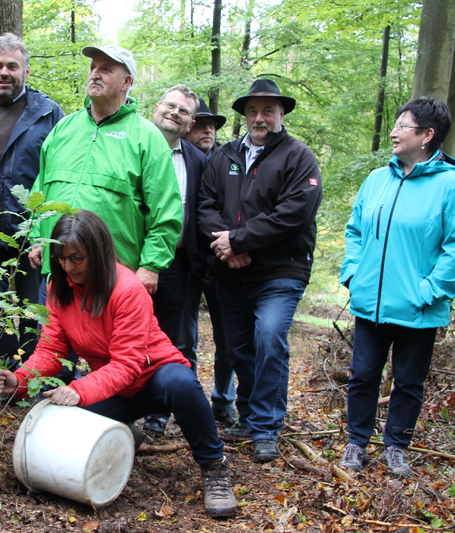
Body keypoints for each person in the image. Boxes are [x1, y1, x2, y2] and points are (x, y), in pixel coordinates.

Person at [0, 210, 237, 518]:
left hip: (153, 376)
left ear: (98, 252)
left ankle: (214, 466)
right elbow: (52, 350)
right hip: (114, 387)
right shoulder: (59, 287)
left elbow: (127, 364)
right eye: (62, 259)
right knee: (53, 411)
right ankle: (121, 430)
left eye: (77, 258)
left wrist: (80, 389)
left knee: (181, 383)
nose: (68, 266)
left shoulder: (127, 289)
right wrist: (19, 379)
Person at [339, 97, 455, 477]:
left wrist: (428, 292)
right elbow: (356, 230)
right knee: (363, 376)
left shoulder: (452, 185)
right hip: (371, 303)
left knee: (409, 382)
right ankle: (356, 443)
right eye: (395, 124)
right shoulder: (377, 179)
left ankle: (396, 447)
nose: (394, 132)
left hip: (418, 309)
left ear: (427, 135)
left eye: (403, 125)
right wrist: (353, 273)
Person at [197, 78, 322, 462]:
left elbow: (294, 213)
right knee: (239, 348)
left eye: (268, 110)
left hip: (280, 271)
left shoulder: (299, 157)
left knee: (269, 336)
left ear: (281, 113)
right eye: (253, 110)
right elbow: (205, 205)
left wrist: (241, 240)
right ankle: (252, 416)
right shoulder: (225, 156)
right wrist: (227, 246)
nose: (260, 117)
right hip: (230, 271)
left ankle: (267, 426)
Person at [28, 45, 181, 297]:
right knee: (53, 338)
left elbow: (166, 212)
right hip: (59, 274)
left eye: (106, 69)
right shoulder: (63, 130)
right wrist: (37, 240)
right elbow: (40, 193)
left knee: (116, 339)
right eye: (92, 68)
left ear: (126, 82)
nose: (94, 74)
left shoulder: (147, 138)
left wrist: (151, 265)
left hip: (115, 277)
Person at [0, 33, 64, 385]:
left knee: (35, 314)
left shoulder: (49, 114)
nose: (4, 72)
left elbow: (59, 174)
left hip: (31, 236)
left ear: (27, 70)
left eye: (12, 66)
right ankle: (9, 379)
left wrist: (48, 233)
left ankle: (32, 380)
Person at [142, 85, 207, 436]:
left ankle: (158, 412)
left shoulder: (198, 161)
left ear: (190, 122)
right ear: (157, 108)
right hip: (130, 260)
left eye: (183, 111)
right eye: (170, 106)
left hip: (178, 264)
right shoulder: (132, 144)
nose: (174, 113)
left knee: (170, 338)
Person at [180, 97, 237, 431]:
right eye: (201, 124)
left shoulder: (227, 163)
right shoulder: (174, 161)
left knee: (227, 338)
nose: (208, 130)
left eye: (212, 125)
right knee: (182, 338)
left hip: (220, 262)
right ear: (188, 128)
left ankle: (223, 401)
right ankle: (187, 402)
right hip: (184, 263)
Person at [183, 98, 226, 162]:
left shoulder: (227, 159)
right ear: (186, 130)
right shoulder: (174, 158)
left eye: (211, 125)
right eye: (200, 125)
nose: (208, 130)